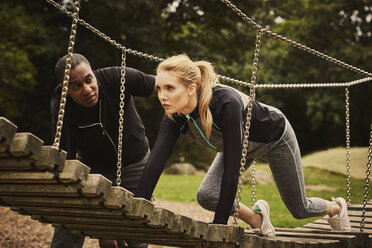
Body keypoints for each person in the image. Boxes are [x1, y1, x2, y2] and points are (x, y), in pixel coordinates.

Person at [134, 54, 351, 237]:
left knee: (300, 209)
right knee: (207, 196)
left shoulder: (224, 103)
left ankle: (335, 208)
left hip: (275, 139)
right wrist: (138, 207)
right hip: (239, 147)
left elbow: (232, 168)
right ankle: (257, 218)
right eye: (160, 88)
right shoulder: (174, 116)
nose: (162, 96)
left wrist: (219, 225)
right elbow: (156, 161)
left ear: (191, 88)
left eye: (170, 88)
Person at [50, 53, 156, 248]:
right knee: (68, 216)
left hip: (135, 161)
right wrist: (102, 227)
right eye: (76, 86)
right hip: (94, 167)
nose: (87, 89)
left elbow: (162, 88)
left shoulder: (116, 78)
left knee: (136, 231)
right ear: (66, 91)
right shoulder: (62, 106)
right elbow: (67, 158)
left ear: (93, 74)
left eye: (89, 80)